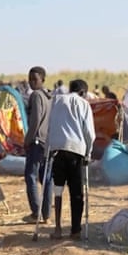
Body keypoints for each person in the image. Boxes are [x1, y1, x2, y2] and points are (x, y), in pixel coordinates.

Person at [47, 79, 96, 240]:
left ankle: (58, 228)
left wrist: (48, 149)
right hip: (76, 150)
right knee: (76, 192)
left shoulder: (57, 100)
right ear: (82, 92)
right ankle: (75, 230)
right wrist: (88, 153)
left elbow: (50, 125)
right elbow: (89, 133)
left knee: (58, 190)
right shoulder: (83, 103)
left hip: (57, 149)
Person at [23, 66, 53, 224]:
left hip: (36, 141)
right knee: (46, 178)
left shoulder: (36, 96)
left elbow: (34, 121)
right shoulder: (50, 97)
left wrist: (27, 140)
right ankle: (46, 213)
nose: (31, 82)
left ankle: (36, 212)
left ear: (42, 79)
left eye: (35, 79)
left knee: (31, 176)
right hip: (47, 142)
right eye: (30, 79)